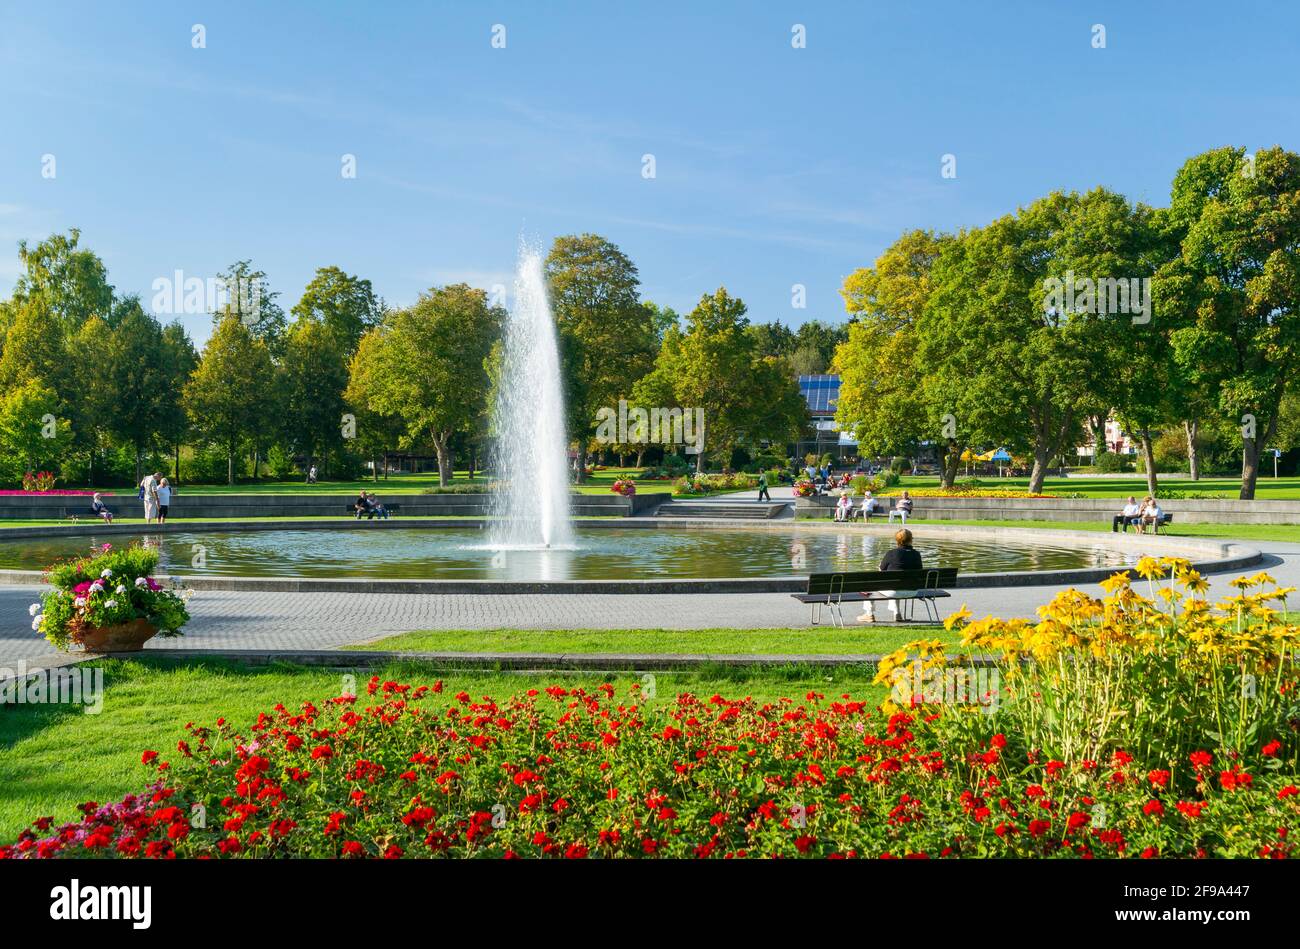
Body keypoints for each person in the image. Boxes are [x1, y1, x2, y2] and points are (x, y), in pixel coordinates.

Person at [860, 528, 924, 623]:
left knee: (870, 584)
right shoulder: (917, 554)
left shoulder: (891, 553)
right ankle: (897, 613)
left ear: (897, 540)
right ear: (911, 540)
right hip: (912, 591)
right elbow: (920, 571)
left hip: (894, 591)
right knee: (895, 582)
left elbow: (881, 570)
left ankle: (869, 614)